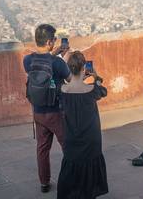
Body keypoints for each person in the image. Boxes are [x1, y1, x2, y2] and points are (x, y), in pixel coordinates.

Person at [23, 24, 71, 193]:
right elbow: (70, 79)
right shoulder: (57, 63)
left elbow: (42, 63)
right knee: (68, 146)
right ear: (50, 42)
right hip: (56, 111)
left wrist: (54, 53)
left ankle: (44, 182)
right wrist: (64, 57)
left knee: (42, 149)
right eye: (55, 39)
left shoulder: (27, 60)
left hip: (38, 111)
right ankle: (72, 179)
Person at [57, 51, 109, 199]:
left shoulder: (62, 90)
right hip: (91, 138)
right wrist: (96, 77)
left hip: (70, 137)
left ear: (69, 68)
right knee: (90, 167)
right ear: (84, 68)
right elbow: (102, 90)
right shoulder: (92, 90)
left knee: (71, 165)